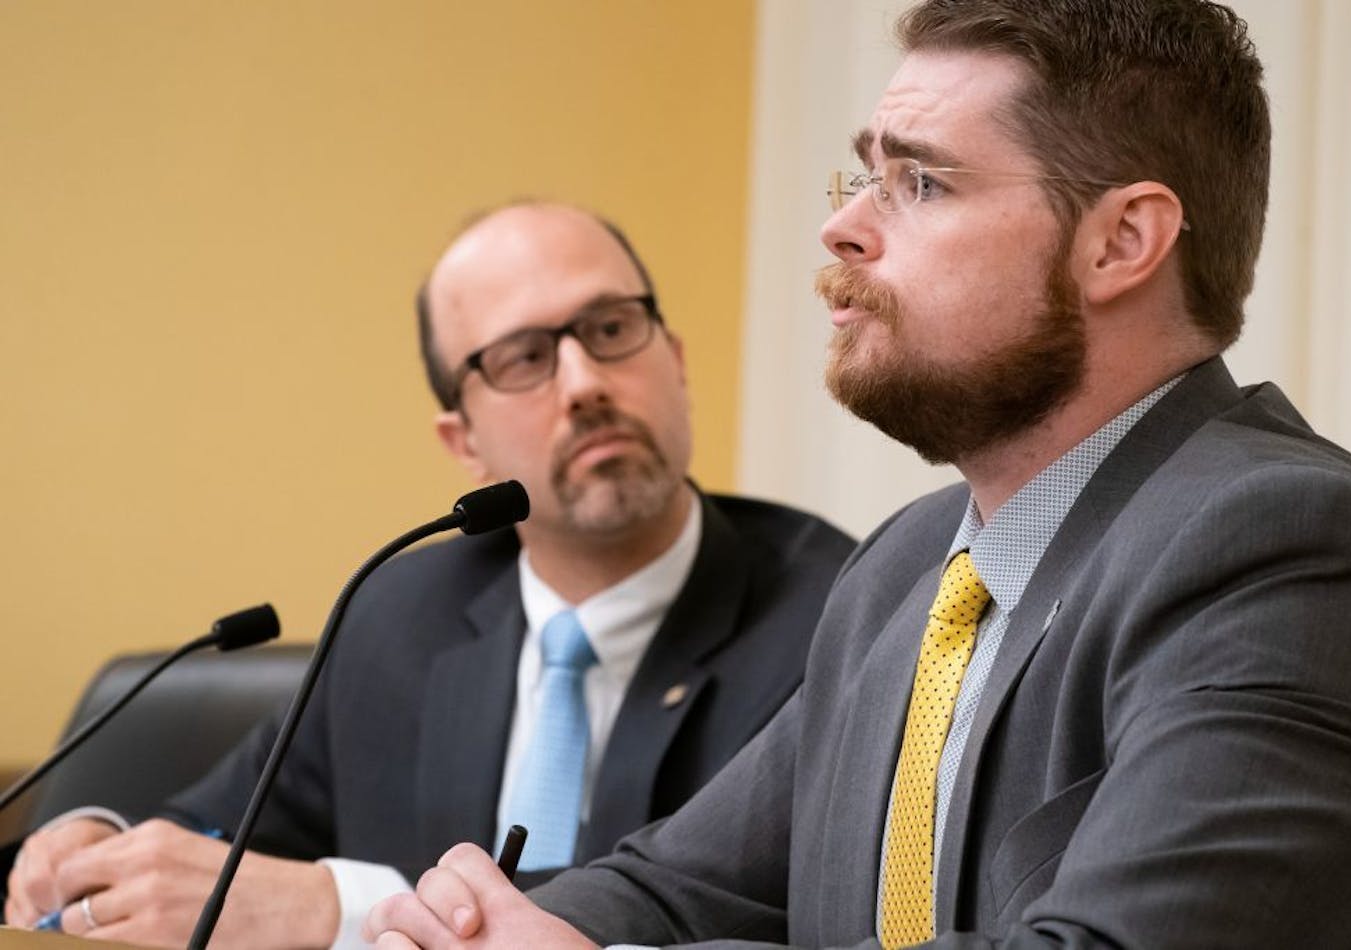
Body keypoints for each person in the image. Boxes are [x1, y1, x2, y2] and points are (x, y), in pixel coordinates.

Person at [363, 2, 1351, 948]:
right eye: (863, 173)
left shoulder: (1292, 552)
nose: (840, 226)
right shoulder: (906, 567)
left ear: (1121, 241)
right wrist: (504, 925)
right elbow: (678, 884)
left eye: (920, 181)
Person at [2, 202, 855, 948]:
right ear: (464, 444)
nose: (586, 383)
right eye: (523, 357)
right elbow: (216, 828)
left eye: (609, 330)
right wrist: (93, 839)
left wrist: (337, 908)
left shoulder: (838, 616)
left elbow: (723, 910)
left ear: (674, 360)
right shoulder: (402, 610)